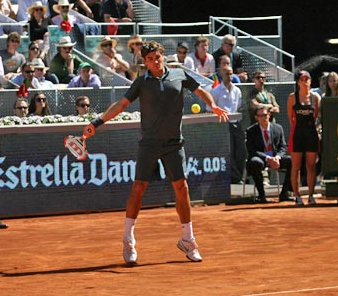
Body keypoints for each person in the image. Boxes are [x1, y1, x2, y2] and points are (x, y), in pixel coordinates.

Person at [82, 40, 229, 263]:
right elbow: (120, 105)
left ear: (162, 55)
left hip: (173, 143)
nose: (154, 61)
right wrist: (97, 121)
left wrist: (214, 106)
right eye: (149, 59)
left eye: (157, 57)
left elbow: (201, 91)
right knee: (139, 187)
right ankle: (128, 238)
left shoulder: (179, 75)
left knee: (182, 187)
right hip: (149, 143)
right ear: (145, 62)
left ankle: (188, 240)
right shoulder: (141, 82)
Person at [286, 70, 321, 206]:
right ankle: (297, 196)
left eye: (307, 79)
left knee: (311, 166)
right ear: (298, 82)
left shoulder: (315, 97)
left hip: (311, 134)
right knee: (296, 167)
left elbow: (316, 116)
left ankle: (311, 196)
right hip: (297, 135)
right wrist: (295, 130)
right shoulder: (292, 97)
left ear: (311, 81)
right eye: (302, 79)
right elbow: (290, 116)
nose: (305, 81)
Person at [246, 106, 293, 203]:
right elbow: (252, 150)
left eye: (265, 115)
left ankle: (284, 193)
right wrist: (268, 158)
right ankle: (262, 196)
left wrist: (277, 157)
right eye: (260, 116)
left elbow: (283, 146)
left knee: (292, 161)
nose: (263, 117)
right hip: (261, 158)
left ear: (269, 115)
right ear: (256, 118)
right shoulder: (251, 131)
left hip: (276, 158)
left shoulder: (278, 128)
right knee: (255, 162)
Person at [209, 65, 245, 184]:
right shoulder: (215, 91)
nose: (229, 76)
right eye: (226, 74)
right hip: (223, 125)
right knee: (229, 151)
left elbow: (238, 106)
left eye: (231, 74)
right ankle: (235, 177)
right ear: (222, 75)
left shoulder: (237, 90)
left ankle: (238, 175)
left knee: (240, 150)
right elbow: (210, 109)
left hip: (236, 123)